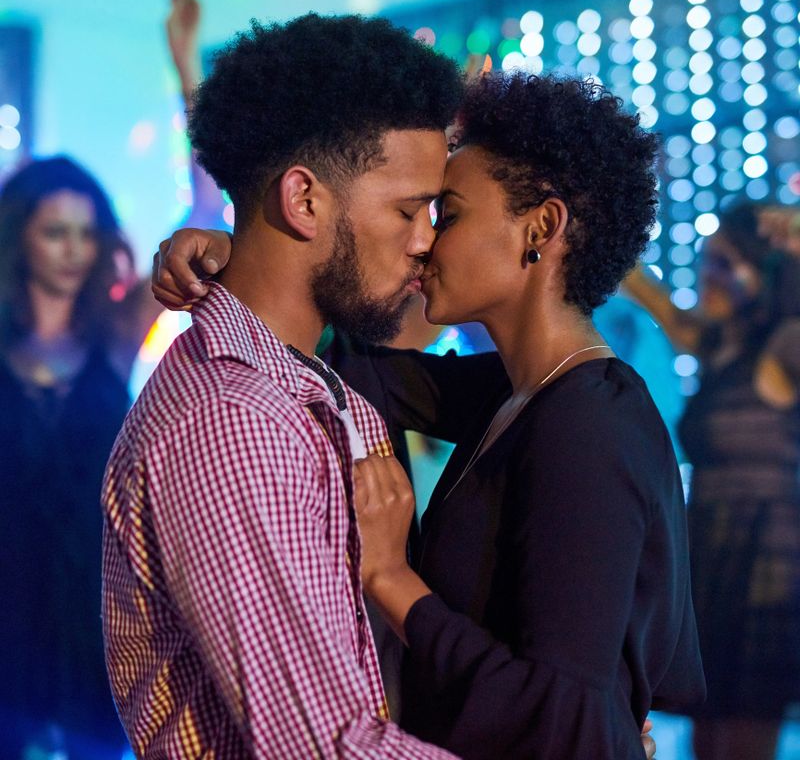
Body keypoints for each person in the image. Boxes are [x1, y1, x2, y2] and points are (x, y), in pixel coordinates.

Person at [157, 72, 701, 759]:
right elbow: (347, 365)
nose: (425, 242)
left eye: (449, 214)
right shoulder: (515, 391)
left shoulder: (589, 424)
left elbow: (571, 719)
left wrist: (390, 578)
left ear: (542, 227)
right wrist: (247, 253)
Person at [101, 13, 465, 758]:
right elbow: (327, 747)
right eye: (407, 209)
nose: (426, 236)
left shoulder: (311, 382)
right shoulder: (233, 425)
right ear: (303, 201)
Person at [623, 203, 800, 760]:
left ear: (763, 271)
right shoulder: (719, 348)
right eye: (706, 260)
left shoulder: (785, 347)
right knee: (708, 727)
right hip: (714, 552)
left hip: (767, 560)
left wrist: (794, 239)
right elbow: (656, 302)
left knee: (746, 728)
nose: (707, 274)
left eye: (724, 263)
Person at [0, 155, 157, 757]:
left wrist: (189, 82)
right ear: (21, 237)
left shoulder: (113, 334)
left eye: (87, 234)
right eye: (55, 232)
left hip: (94, 608)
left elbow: (205, 221)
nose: (74, 250)